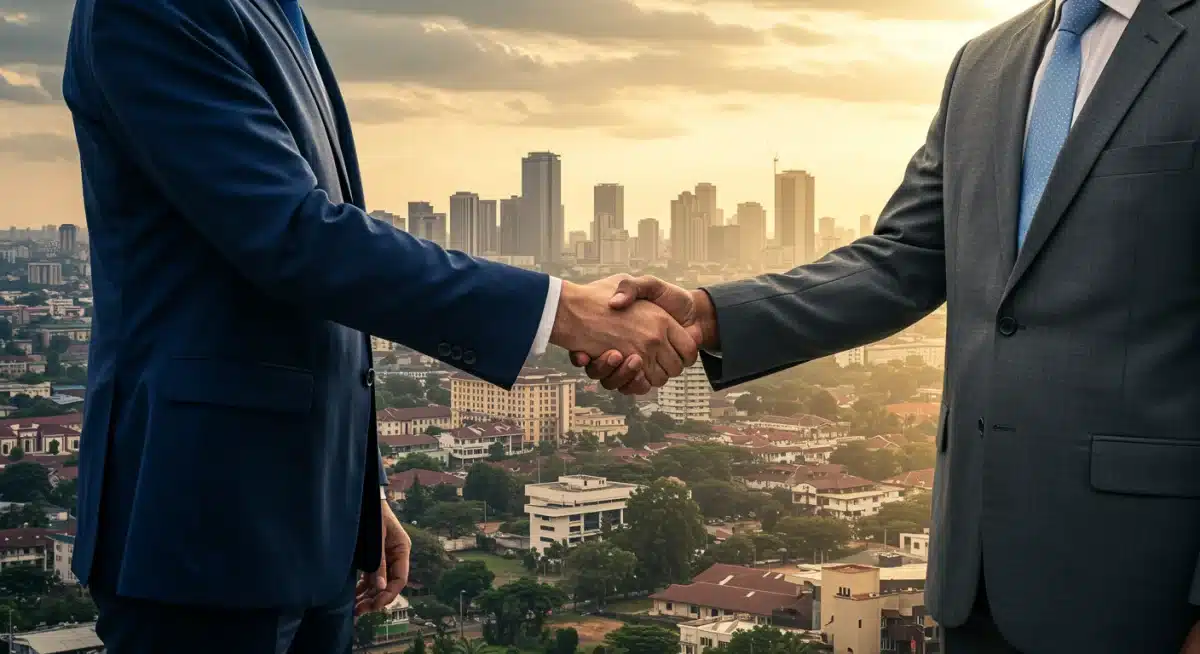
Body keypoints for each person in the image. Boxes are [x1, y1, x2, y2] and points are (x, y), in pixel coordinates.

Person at [59, 0, 696, 651]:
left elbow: (323, 299)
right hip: (200, 521)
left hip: (319, 523)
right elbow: (294, 238)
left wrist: (363, 491)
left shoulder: (275, 10)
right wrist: (562, 311)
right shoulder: (148, 8)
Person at [577, 0, 1200, 651]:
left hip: (1143, 581)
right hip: (974, 577)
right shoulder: (985, 63)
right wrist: (704, 316)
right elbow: (901, 261)